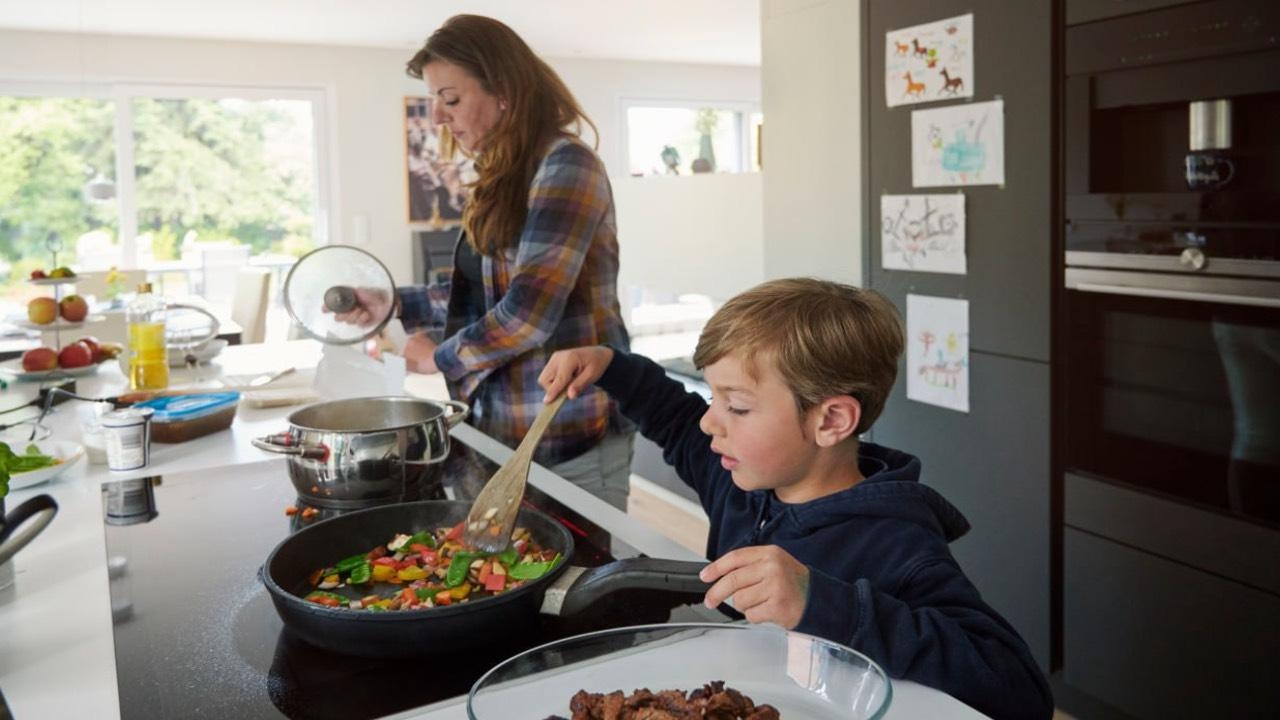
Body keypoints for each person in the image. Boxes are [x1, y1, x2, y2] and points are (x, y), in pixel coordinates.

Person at [538, 278, 1054, 720]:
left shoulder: (897, 541)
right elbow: (674, 414)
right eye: (714, 396)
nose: (709, 420)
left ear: (830, 420)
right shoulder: (741, 481)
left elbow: (1020, 693)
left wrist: (824, 604)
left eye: (736, 406)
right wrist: (607, 364)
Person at [352, 15, 634, 510]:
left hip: (567, 429)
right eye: (436, 100)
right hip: (503, 429)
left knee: (579, 584)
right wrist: (391, 302)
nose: (438, 117)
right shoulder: (501, 176)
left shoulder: (566, 166)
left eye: (451, 98)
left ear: (505, 91)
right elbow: (482, 294)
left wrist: (434, 358)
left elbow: (526, 315)